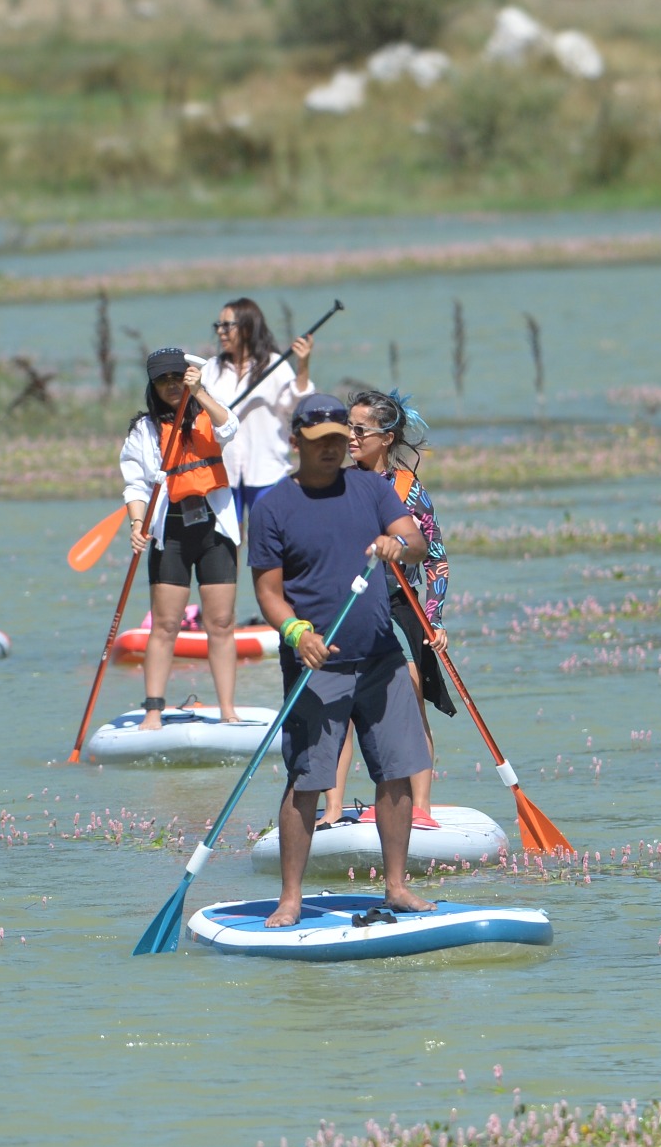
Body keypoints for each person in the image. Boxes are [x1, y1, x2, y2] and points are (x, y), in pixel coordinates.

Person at [248, 395, 432, 927]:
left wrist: (400, 544)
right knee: (307, 779)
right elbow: (268, 593)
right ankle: (290, 897)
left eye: (338, 438)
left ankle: (396, 886)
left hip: (381, 657)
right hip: (316, 665)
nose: (331, 449)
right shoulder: (273, 506)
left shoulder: (373, 488)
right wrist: (294, 630)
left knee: (396, 772)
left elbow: (417, 540)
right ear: (296, 443)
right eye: (319, 441)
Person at [316, 389, 454, 829]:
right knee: (336, 706)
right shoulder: (335, 483)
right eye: (347, 427)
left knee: (409, 700)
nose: (350, 437)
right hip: (348, 606)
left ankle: (421, 809)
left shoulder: (410, 491)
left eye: (359, 430)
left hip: (400, 605)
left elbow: (436, 559)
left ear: (387, 438)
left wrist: (433, 617)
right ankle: (333, 809)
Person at [121, 347, 242, 734]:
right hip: (169, 533)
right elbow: (136, 485)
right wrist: (137, 524)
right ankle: (153, 710)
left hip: (214, 530)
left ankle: (227, 708)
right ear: (153, 386)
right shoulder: (144, 430)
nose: (171, 385)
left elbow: (230, 427)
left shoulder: (208, 410)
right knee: (166, 624)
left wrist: (201, 391)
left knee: (221, 621)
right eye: (163, 380)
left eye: (177, 377)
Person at [200, 298, 314, 526]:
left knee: (270, 534)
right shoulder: (212, 368)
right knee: (227, 539)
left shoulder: (273, 364)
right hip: (223, 469)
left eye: (227, 326)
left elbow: (297, 405)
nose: (221, 332)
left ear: (247, 327)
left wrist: (303, 366)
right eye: (218, 326)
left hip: (266, 468)